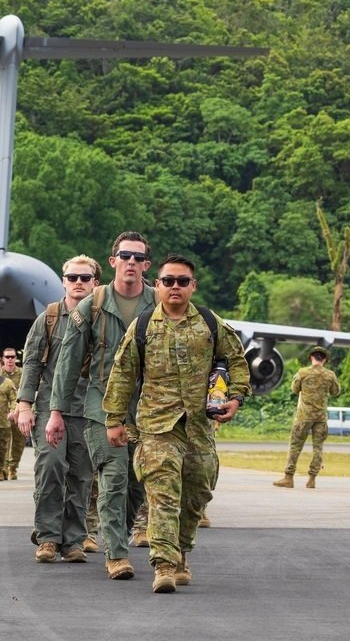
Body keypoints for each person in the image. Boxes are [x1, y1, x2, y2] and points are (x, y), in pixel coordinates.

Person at [103, 253, 250, 593]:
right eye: (168, 281)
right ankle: (164, 565)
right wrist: (114, 419)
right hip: (157, 426)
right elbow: (123, 374)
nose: (175, 287)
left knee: (199, 490)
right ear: (159, 285)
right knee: (162, 493)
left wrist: (236, 398)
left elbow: (238, 364)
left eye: (182, 282)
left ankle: (181, 551)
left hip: (200, 424)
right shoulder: (142, 327)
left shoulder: (212, 325)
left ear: (192, 286)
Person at [52, 232, 155, 581]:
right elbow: (68, 362)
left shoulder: (159, 305)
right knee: (113, 478)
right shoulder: (92, 305)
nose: (131, 262)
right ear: (113, 262)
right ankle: (117, 554)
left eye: (138, 258)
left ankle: (117, 536)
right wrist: (55, 412)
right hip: (101, 404)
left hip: (148, 407)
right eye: (125, 256)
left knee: (137, 482)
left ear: (146, 265)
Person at [16, 254, 100, 564]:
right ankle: (48, 537)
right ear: (63, 281)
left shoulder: (102, 320)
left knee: (81, 476)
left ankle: (74, 540)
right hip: (50, 409)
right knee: (50, 467)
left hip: (88, 410)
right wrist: (24, 404)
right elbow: (32, 363)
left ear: (96, 283)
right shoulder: (49, 318)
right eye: (73, 277)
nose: (79, 283)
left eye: (85, 278)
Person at [273, 346, 341, 489]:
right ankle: (311, 479)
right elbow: (336, 392)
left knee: (295, 446)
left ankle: (289, 478)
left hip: (303, 417)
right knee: (318, 448)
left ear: (311, 357)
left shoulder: (303, 373)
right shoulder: (330, 375)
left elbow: (294, 389)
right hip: (321, 418)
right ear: (325, 360)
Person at [1, 347, 24, 479]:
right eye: (7, 357)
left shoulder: (22, 373)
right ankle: (2, 466)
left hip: (20, 413)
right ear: (3, 359)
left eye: (12, 357)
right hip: (2, 413)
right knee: (2, 441)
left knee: (18, 442)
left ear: (16, 358)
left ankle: (13, 467)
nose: (10, 359)